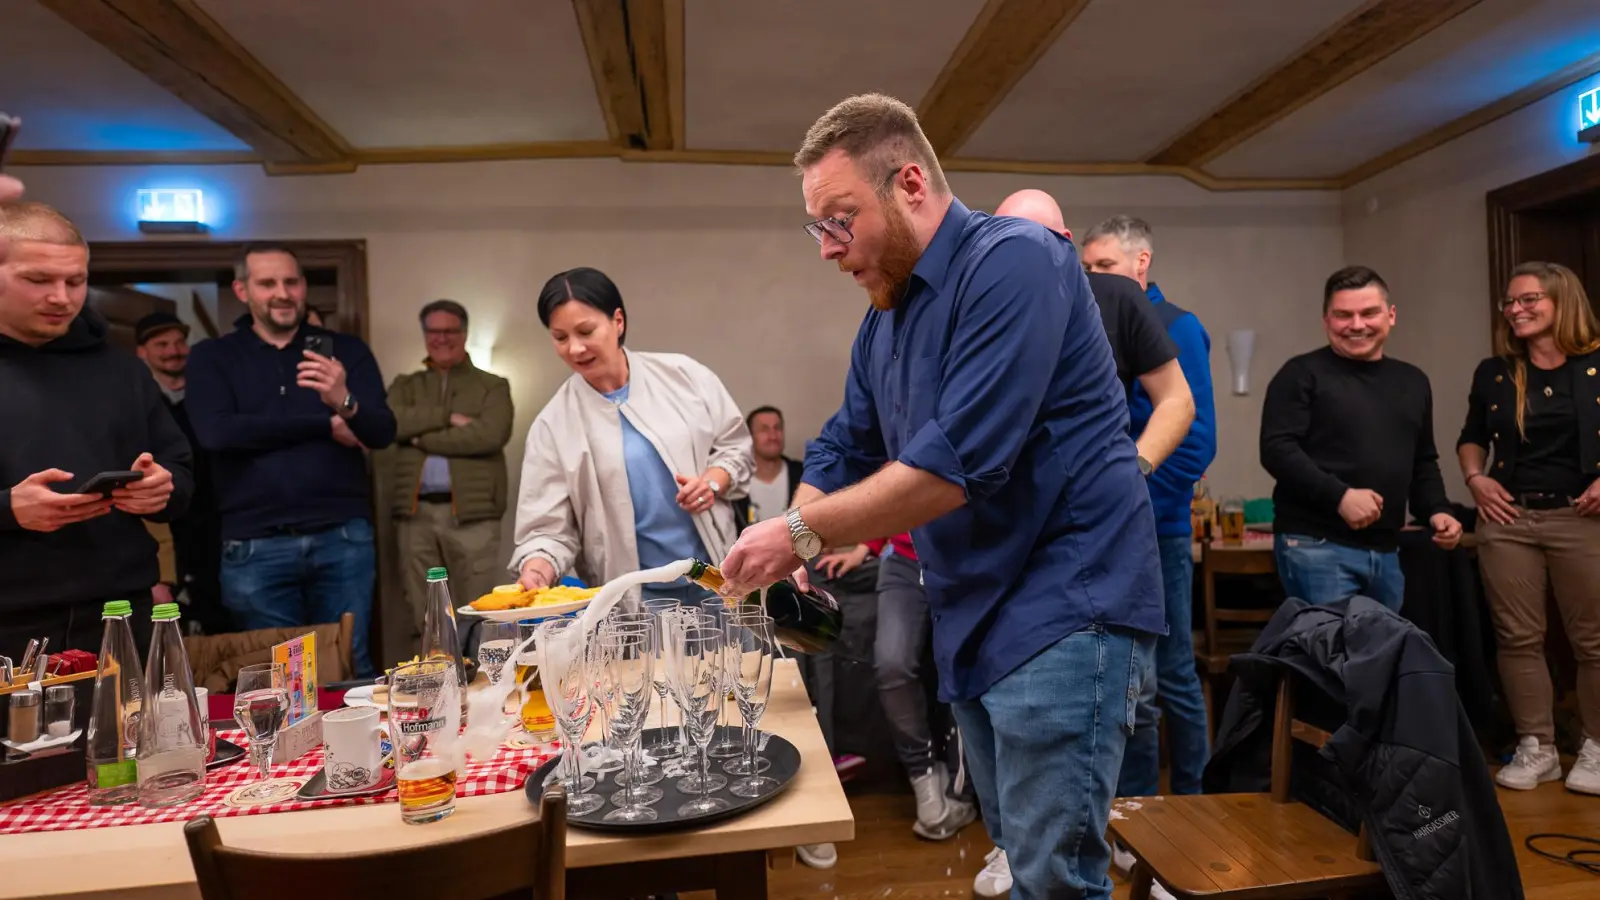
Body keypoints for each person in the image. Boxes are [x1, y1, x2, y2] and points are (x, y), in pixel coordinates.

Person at [719, 94, 1163, 900]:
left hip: (1065, 607)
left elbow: (957, 464)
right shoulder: (882, 320)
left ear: (912, 184)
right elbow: (841, 443)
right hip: (976, 620)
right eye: (817, 227)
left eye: (841, 219)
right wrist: (797, 533)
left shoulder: (1017, 260)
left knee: (1055, 884)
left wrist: (799, 532)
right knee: (1024, 868)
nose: (828, 249)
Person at [185, 245, 396, 676]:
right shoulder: (214, 357)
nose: (282, 293)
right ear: (243, 290)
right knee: (278, 676)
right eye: (268, 283)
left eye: (291, 282)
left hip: (342, 537)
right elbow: (217, 433)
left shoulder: (346, 352)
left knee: (349, 667)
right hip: (254, 545)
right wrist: (322, 424)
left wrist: (344, 399)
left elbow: (382, 432)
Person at [0, 202, 192, 658]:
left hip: (122, 612)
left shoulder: (121, 369)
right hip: (10, 621)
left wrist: (162, 488)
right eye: (38, 280)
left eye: (76, 281)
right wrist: (8, 509)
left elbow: (181, 474)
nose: (62, 297)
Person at [510, 267, 753, 609]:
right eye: (560, 337)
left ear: (618, 321)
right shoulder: (552, 426)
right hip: (634, 601)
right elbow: (546, 530)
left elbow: (736, 447)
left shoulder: (684, 376)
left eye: (586, 331)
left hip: (718, 580)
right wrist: (537, 568)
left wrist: (712, 483)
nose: (575, 348)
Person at [1458, 260, 1600, 795]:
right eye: (1510, 302)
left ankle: (1597, 748)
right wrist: (1475, 478)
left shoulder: (1596, 363)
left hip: (1583, 518)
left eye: (1529, 299)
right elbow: (1471, 435)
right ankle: (1536, 747)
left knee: (1595, 641)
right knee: (1518, 639)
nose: (1516, 310)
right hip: (1507, 517)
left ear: (1562, 300)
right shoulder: (1496, 371)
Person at [1260, 266, 1462, 610]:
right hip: (1316, 545)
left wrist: (1437, 510)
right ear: (1326, 320)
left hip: (1387, 549)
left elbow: (1423, 460)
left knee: (1381, 658)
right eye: (1343, 315)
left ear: (1391, 315)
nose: (1356, 325)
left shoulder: (1413, 381)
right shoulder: (1301, 374)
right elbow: (1277, 450)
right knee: (1332, 659)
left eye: (1369, 313)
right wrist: (1339, 497)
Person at [387, 299, 514, 641]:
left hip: (473, 517)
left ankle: (484, 687)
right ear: (424, 335)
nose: (441, 338)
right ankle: (436, 686)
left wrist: (419, 438)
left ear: (464, 333)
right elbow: (391, 422)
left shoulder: (493, 385)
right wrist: (446, 419)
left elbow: (489, 435)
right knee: (424, 613)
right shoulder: (405, 385)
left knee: (480, 612)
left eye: (449, 330)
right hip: (415, 516)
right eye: (433, 331)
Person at [133, 311, 229, 635]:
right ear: (142, 352)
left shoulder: (209, 396)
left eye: (178, 342)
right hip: (169, 527)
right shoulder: (138, 403)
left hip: (217, 524)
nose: (174, 350)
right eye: (162, 344)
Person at [736, 406, 804, 525]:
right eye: (764, 429)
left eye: (777, 428)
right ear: (750, 437)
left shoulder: (804, 475)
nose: (773, 436)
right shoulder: (737, 481)